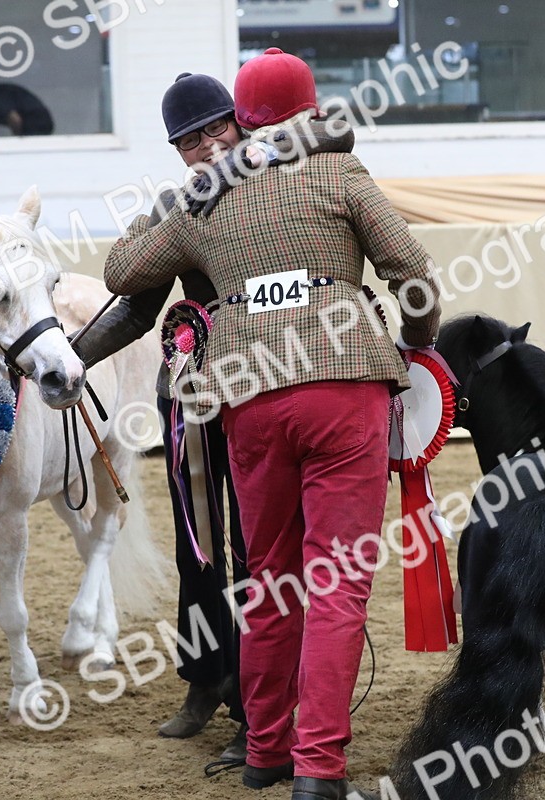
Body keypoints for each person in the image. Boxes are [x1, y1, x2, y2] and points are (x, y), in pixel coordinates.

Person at [105, 48, 440, 800]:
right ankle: (318, 768)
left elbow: (121, 273)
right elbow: (413, 273)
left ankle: (266, 750)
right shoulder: (341, 173)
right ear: (311, 108)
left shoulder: (205, 199)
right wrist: (418, 345)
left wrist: (171, 204)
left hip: (249, 397)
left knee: (270, 580)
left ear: (239, 118)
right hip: (344, 387)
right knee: (337, 584)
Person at [74, 72, 354, 765]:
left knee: (260, 549)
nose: (205, 148)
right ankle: (206, 676)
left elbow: (337, 128)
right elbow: (137, 305)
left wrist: (251, 155)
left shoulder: (282, 168)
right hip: (193, 388)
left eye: (215, 130)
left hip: (266, 384)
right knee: (198, 544)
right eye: (188, 141)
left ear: (241, 122)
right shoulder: (185, 205)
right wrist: (74, 359)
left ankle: (258, 706)